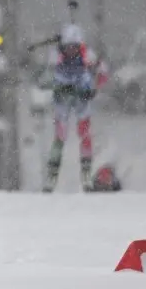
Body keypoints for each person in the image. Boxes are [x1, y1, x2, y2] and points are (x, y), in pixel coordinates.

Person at [38, 23, 109, 192]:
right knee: (60, 137)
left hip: (81, 95)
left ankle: (86, 173)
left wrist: (94, 89)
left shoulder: (87, 54)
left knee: (84, 134)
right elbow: (43, 80)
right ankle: (51, 175)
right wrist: (56, 86)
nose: (71, 51)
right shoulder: (55, 57)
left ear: (80, 46)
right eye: (67, 47)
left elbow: (104, 71)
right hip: (62, 98)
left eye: (74, 47)